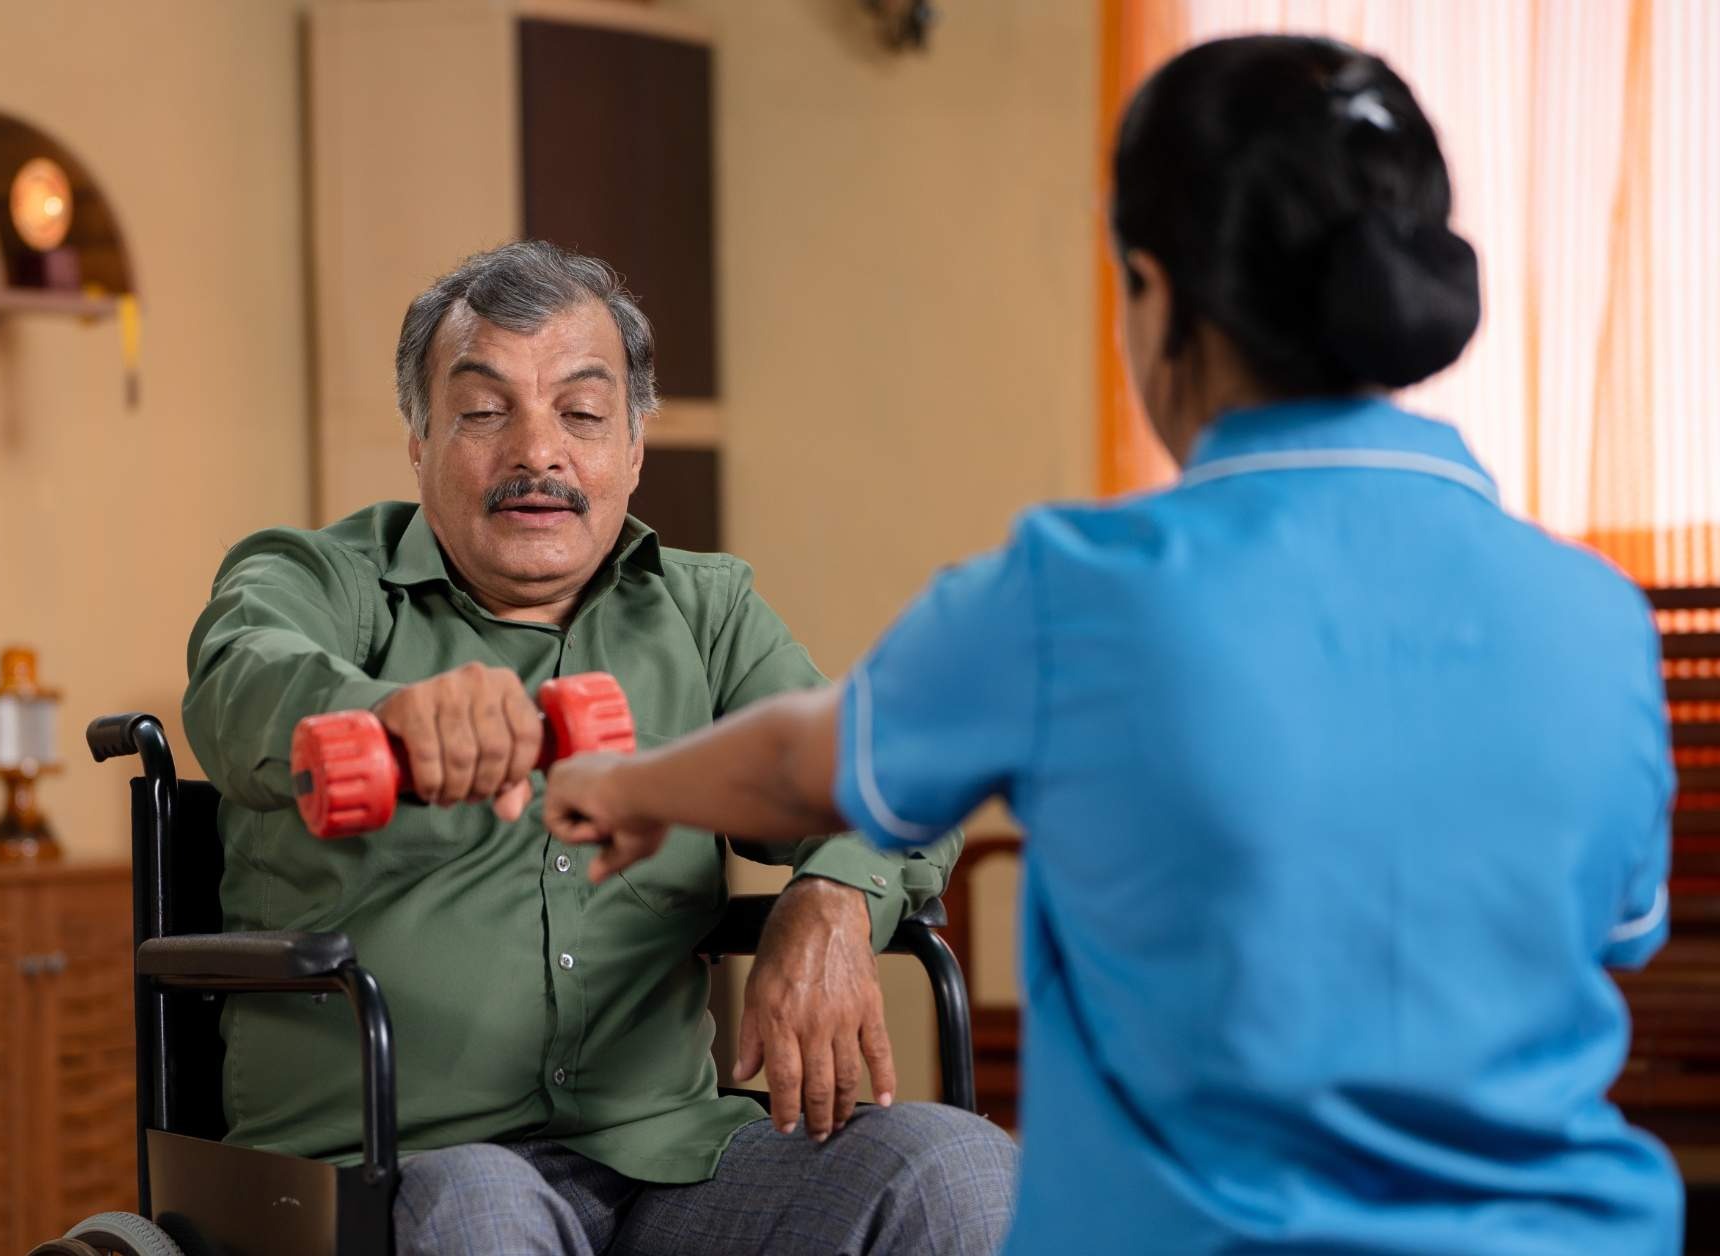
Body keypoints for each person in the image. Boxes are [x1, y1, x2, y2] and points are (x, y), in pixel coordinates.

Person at [544, 36, 1681, 1255]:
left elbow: (802, 764)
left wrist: (631, 782)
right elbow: (1618, 929)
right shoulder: (1596, 614)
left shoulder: (1079, 592)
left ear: (1156, 291)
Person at [182, 240, 1017, 1256]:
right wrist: (386, 712)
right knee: (486, 1207)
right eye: (485, 411)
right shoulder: (321, 579)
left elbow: (887, 776)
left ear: (632, 448)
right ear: (419, 438)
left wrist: (834, 895)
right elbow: (239, 679)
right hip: (397, 1164)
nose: (538, 454)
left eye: (580, 413)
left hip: (671, 1159)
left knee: (960, 1169)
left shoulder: (708, 610)